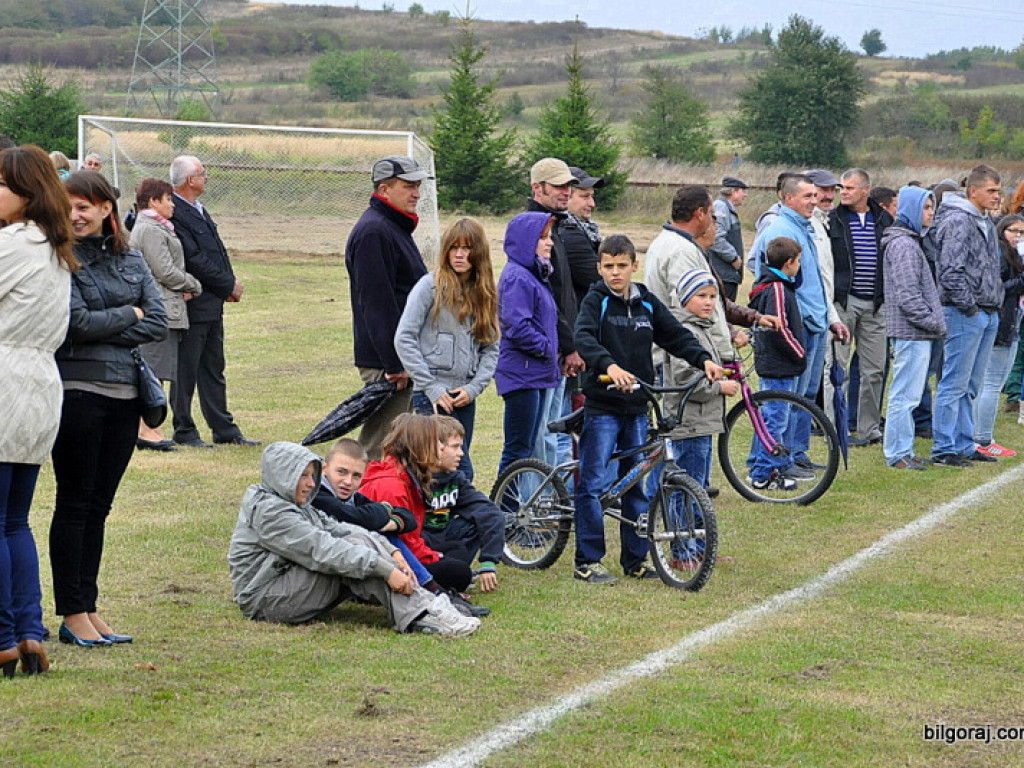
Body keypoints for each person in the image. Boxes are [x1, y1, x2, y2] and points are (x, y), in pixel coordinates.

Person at [52, 170, 168, 647]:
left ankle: (89, 606)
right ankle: (71, 611)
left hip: (125, 395)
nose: (75, 215)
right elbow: (74, 324)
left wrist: (115, 322)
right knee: (75, 503)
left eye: (83, 206)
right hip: (78, 391)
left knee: (99, 506)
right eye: (68, 207)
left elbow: (158, 320)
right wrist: (129, 314)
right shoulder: (59, 257)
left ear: (106, 208)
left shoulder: (132, 257)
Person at [572, 234, 724, 584]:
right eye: (608, 266)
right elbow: (584, 338)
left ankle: (635, 560)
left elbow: (675, 335)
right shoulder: (596, 301)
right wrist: (609, 366)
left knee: (638, 485)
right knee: (593, 484)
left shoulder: (646, 302)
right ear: (599, 268)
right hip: (603, 406)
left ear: (634, 266)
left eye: (621, 265)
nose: (615, 273)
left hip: (639, 406)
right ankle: (587, 561)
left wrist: (703, 360)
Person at [228, 441, 479, 636]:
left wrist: (391, 551)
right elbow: (323, 550)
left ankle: (427, 608)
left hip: (286, 580)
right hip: (266, 599)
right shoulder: (271, 512)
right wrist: (386, 569)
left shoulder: (289, 500)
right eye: (302, 476)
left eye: (312, 475)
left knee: (359, 541)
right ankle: (424, 612)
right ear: (283, 475)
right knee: (353, 557)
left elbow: (340, 527)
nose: (310, 483)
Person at [0, 145, 76, 675]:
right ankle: (28, 632)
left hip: (6, 379)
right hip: (40, 385)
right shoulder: (54, 247)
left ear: (27, 193)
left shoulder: (12, 244)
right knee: (14, 521)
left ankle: (5, 636)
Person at [315, 438, 488, 617]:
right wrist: (383, 520)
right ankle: (432, 592)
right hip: (340, 565)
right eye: (341, 472)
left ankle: (432, 590)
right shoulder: (319, 493)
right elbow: (351, 516)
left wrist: (389, 521)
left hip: (391, 554)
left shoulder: (354, 496)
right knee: (384, 535)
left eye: (356, 476)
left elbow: (408, 519)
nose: (348, 481)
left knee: (456, 555)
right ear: (324, 468)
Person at [751, 175, 845, 474]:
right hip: (798, 324)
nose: (814, 201)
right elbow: (762, 270)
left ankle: (795, 453)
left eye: (815, 196)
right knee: (785, 400)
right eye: (807, 196)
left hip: (815, 322)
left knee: (803, 397)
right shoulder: (778, 228)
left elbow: (816, 278)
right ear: (788, 198)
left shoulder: (807, 226)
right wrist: (795, 312)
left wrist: (829, 317)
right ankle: (773, 461)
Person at [394, 217, 498, 480]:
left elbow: (491, 348)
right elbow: (404, 338)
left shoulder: (484, 293)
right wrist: (431, 387)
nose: (459, 254)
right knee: (452, 472)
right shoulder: (428, 287)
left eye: (467, 248)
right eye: (454, 247)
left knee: (454, 469)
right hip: (432, 398)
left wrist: (473, 388)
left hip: (464, 398)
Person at [169, 155, 258, 449]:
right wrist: (226, 284)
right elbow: (193, 258)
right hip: (193, 302)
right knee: (186, 370)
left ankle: (224, 429)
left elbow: (215, 251)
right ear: (190, 180)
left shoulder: (198, 208)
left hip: (212, 302)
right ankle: (184, 429)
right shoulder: (176, 212)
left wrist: (227, 284)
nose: (206, 178)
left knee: (213, 369)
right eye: (202, 173)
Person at [346, 155, 430, 460]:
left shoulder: (392, 227)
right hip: (389, 363)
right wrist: (395, 364)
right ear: (384, 189)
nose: (416, 193)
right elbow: (376, 304)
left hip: (402, 356)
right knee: (379, 446)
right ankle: (356, 491)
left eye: (418, 186)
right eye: (408, 186)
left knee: (397, 446)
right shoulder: (374, 232)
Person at [931, 165, 1005, 467]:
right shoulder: (959, 220)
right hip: (964, 313)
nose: (997, 196)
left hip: (987, 311)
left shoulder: (984, 220)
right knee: (954, 382)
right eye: (991, 191)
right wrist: (970, 308)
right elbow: (950, 271)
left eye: (999, 191)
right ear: (973, 191)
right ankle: (944, 447)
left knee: (971, 384)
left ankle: (964, 442)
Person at [359, 414, 477, 595]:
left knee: (456, 551)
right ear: (420, 446)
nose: (441, 447)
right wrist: (435, 558)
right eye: (437, 442)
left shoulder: (405, 475)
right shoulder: (393, 487)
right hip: (390, 563)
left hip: (407, 551)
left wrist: (434, 555)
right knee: (459, 572)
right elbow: (401, 545)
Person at [129, 177, 203, 452]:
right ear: (153, 201)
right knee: (153, 369)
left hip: (165, 306)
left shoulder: (157, 227)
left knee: (157, 369)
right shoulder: (149, 229)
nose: (173, 205)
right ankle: (145, 428)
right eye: (168, 199)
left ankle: (150, 426)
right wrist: (194, 285)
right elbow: (165, 271)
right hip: (158, 309)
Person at [881, 187, 945, 470]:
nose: (931, 213)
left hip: (917, 331)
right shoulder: (904, 246)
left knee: (910, 395)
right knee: (904, 396)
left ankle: (904, 448)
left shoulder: (911, 242)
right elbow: (908, 297)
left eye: (932, 207)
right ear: (911, 209)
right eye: (926, 208)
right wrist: (933, 322)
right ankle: (897, 454)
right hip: (911, 332)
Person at [527, 158, 584, 469]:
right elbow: (547, 299)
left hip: (558, 346)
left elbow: (564, 293)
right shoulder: (534, 229)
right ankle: (542, 494)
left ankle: (555, 493)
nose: (566, 192)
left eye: (569, 186)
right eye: (559, 186)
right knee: (543, 434)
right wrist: (568, 345)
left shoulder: (555, 225)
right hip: (547, 350)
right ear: (538, 187)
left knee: (557, 431)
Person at [829, 169, 894, 447]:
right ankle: (835, 427)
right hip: (845, 302)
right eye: (842, 188)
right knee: (837, 368)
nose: (844, 192)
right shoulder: (833, 219)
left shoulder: (884, 219)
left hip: (876, 305)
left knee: (874, 370)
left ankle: (869, 428)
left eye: (850, 188)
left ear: (866, 190)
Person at [494, 212, 561, 475]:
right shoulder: (518, 277)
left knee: (527, 447)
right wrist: (546, 348)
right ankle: (505, 500)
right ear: (526, 241)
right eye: (543, 238)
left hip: (535, 372)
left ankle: (518, 499)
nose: (550, 243)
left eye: (549, 237)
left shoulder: (534, 275)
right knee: (518, 449)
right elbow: (516, 325)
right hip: (522, 374)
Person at [663, 268, 741, 494]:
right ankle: (686, 518)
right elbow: (686, 380)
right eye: (701, 296)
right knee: (688, 487)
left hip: (702, 424)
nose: (708, 302)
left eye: (712, 296)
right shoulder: (685, 333)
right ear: (685, 298)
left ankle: (698, 517)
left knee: (699, 485)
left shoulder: (702, 327)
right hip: (689, 425)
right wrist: (719, 387)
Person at [747, 237, 807, 489]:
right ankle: (763, 473)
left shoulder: (772, 285)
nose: (799, 266)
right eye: (799, 261)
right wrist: (799, 353)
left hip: (773, 363)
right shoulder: (778, 289)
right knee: (775, 421)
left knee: (770, 418)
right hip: (778, 365)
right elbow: (779, 327)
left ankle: (765, 464)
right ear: (789, 263)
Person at [424, 417, 503, 593]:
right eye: (455, 447)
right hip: (418, 549)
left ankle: (455, 574)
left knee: (476, 521)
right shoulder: (414, 480)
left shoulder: (455, 480)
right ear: (434, 447)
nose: (461, 453)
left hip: (441, 540)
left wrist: (489, 562)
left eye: (461, 447)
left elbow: (490, 512)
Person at [973, 214, 1024, 457]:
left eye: (1022, 232)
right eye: (1013, 231)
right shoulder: (999, 255)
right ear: (1002, 231)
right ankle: (983, 438)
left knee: (992, 382)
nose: (1018, 236)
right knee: (991, 383)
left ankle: (979, 435)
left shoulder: (1013, 256)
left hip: (1011, 323)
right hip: (1000, 324)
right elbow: (997, 290)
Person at [562, 165, 605, 309]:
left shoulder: (584, 230)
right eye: (585, 196)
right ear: (566, 197)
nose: (592, 204)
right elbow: (603, 280)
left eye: (592, 196)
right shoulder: (569, 235)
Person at [708, 176, 748, 302]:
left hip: (727, 274)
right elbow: (716, 237)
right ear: (733, 191)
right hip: (723, 274)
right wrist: (733, 257)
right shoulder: (721, 207)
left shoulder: (727, 208)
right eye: (742, 191)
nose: (745, 195)